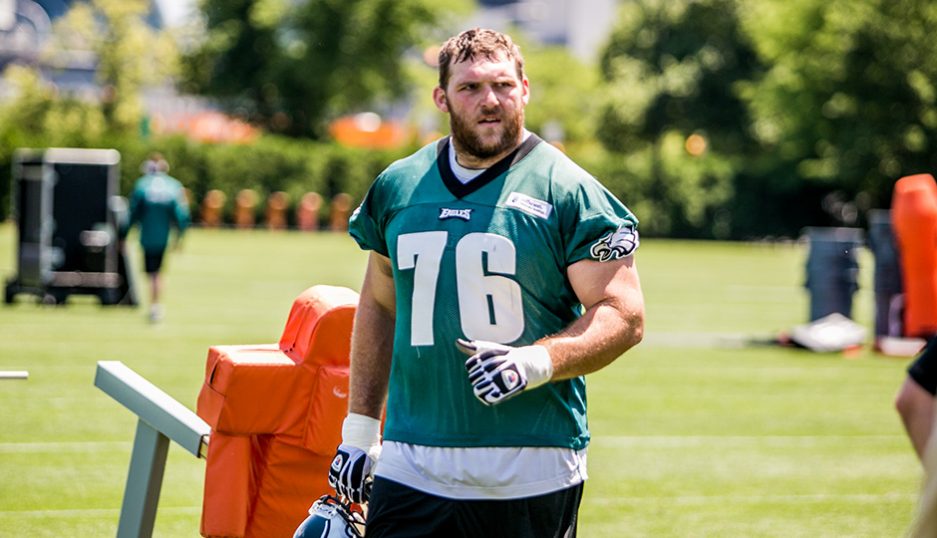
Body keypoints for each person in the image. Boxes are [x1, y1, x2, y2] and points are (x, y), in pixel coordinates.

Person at [318, 28, 645, 537]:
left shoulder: (568, 189)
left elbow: (624, 314)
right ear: (441, 97)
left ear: (525, 90)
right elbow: (381, 304)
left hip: (529, 464)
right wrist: (359, 431)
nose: (489, 100)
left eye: (503, 85)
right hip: (410, 461)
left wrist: (534, 362)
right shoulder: (399, 185)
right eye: (470, 87)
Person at [120, 153, 190, 322]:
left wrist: (123, 235)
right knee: (157, 272)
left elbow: (132, 214)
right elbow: (181, 215)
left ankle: (154, 305)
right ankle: (156, 305)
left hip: (147, 236)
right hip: (163, 236)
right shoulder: (173, 186)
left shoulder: (142, 185)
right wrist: (180, 237)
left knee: (152, 272)